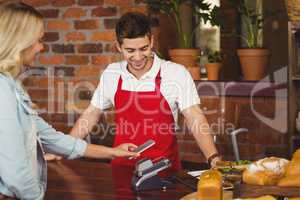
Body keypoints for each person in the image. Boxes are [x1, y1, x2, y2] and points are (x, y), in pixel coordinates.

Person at [0, 2, 139, 200]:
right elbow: (16, 171)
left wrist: (114, 152)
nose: (41, 47)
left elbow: (51, 138)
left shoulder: (13, 86)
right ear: (20, 42)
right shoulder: (2, 89)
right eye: (38, 40)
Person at [70, 11, 221, 175]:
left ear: (151, 41)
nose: (138, 57)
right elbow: (91, 114)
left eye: (144, 48)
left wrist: (213, 158)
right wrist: (64, 147)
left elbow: (195, 117)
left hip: (164, 171)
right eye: (130, 51)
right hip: (122, 171)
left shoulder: (175, 73)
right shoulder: (112, 73)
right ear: (118, 46)